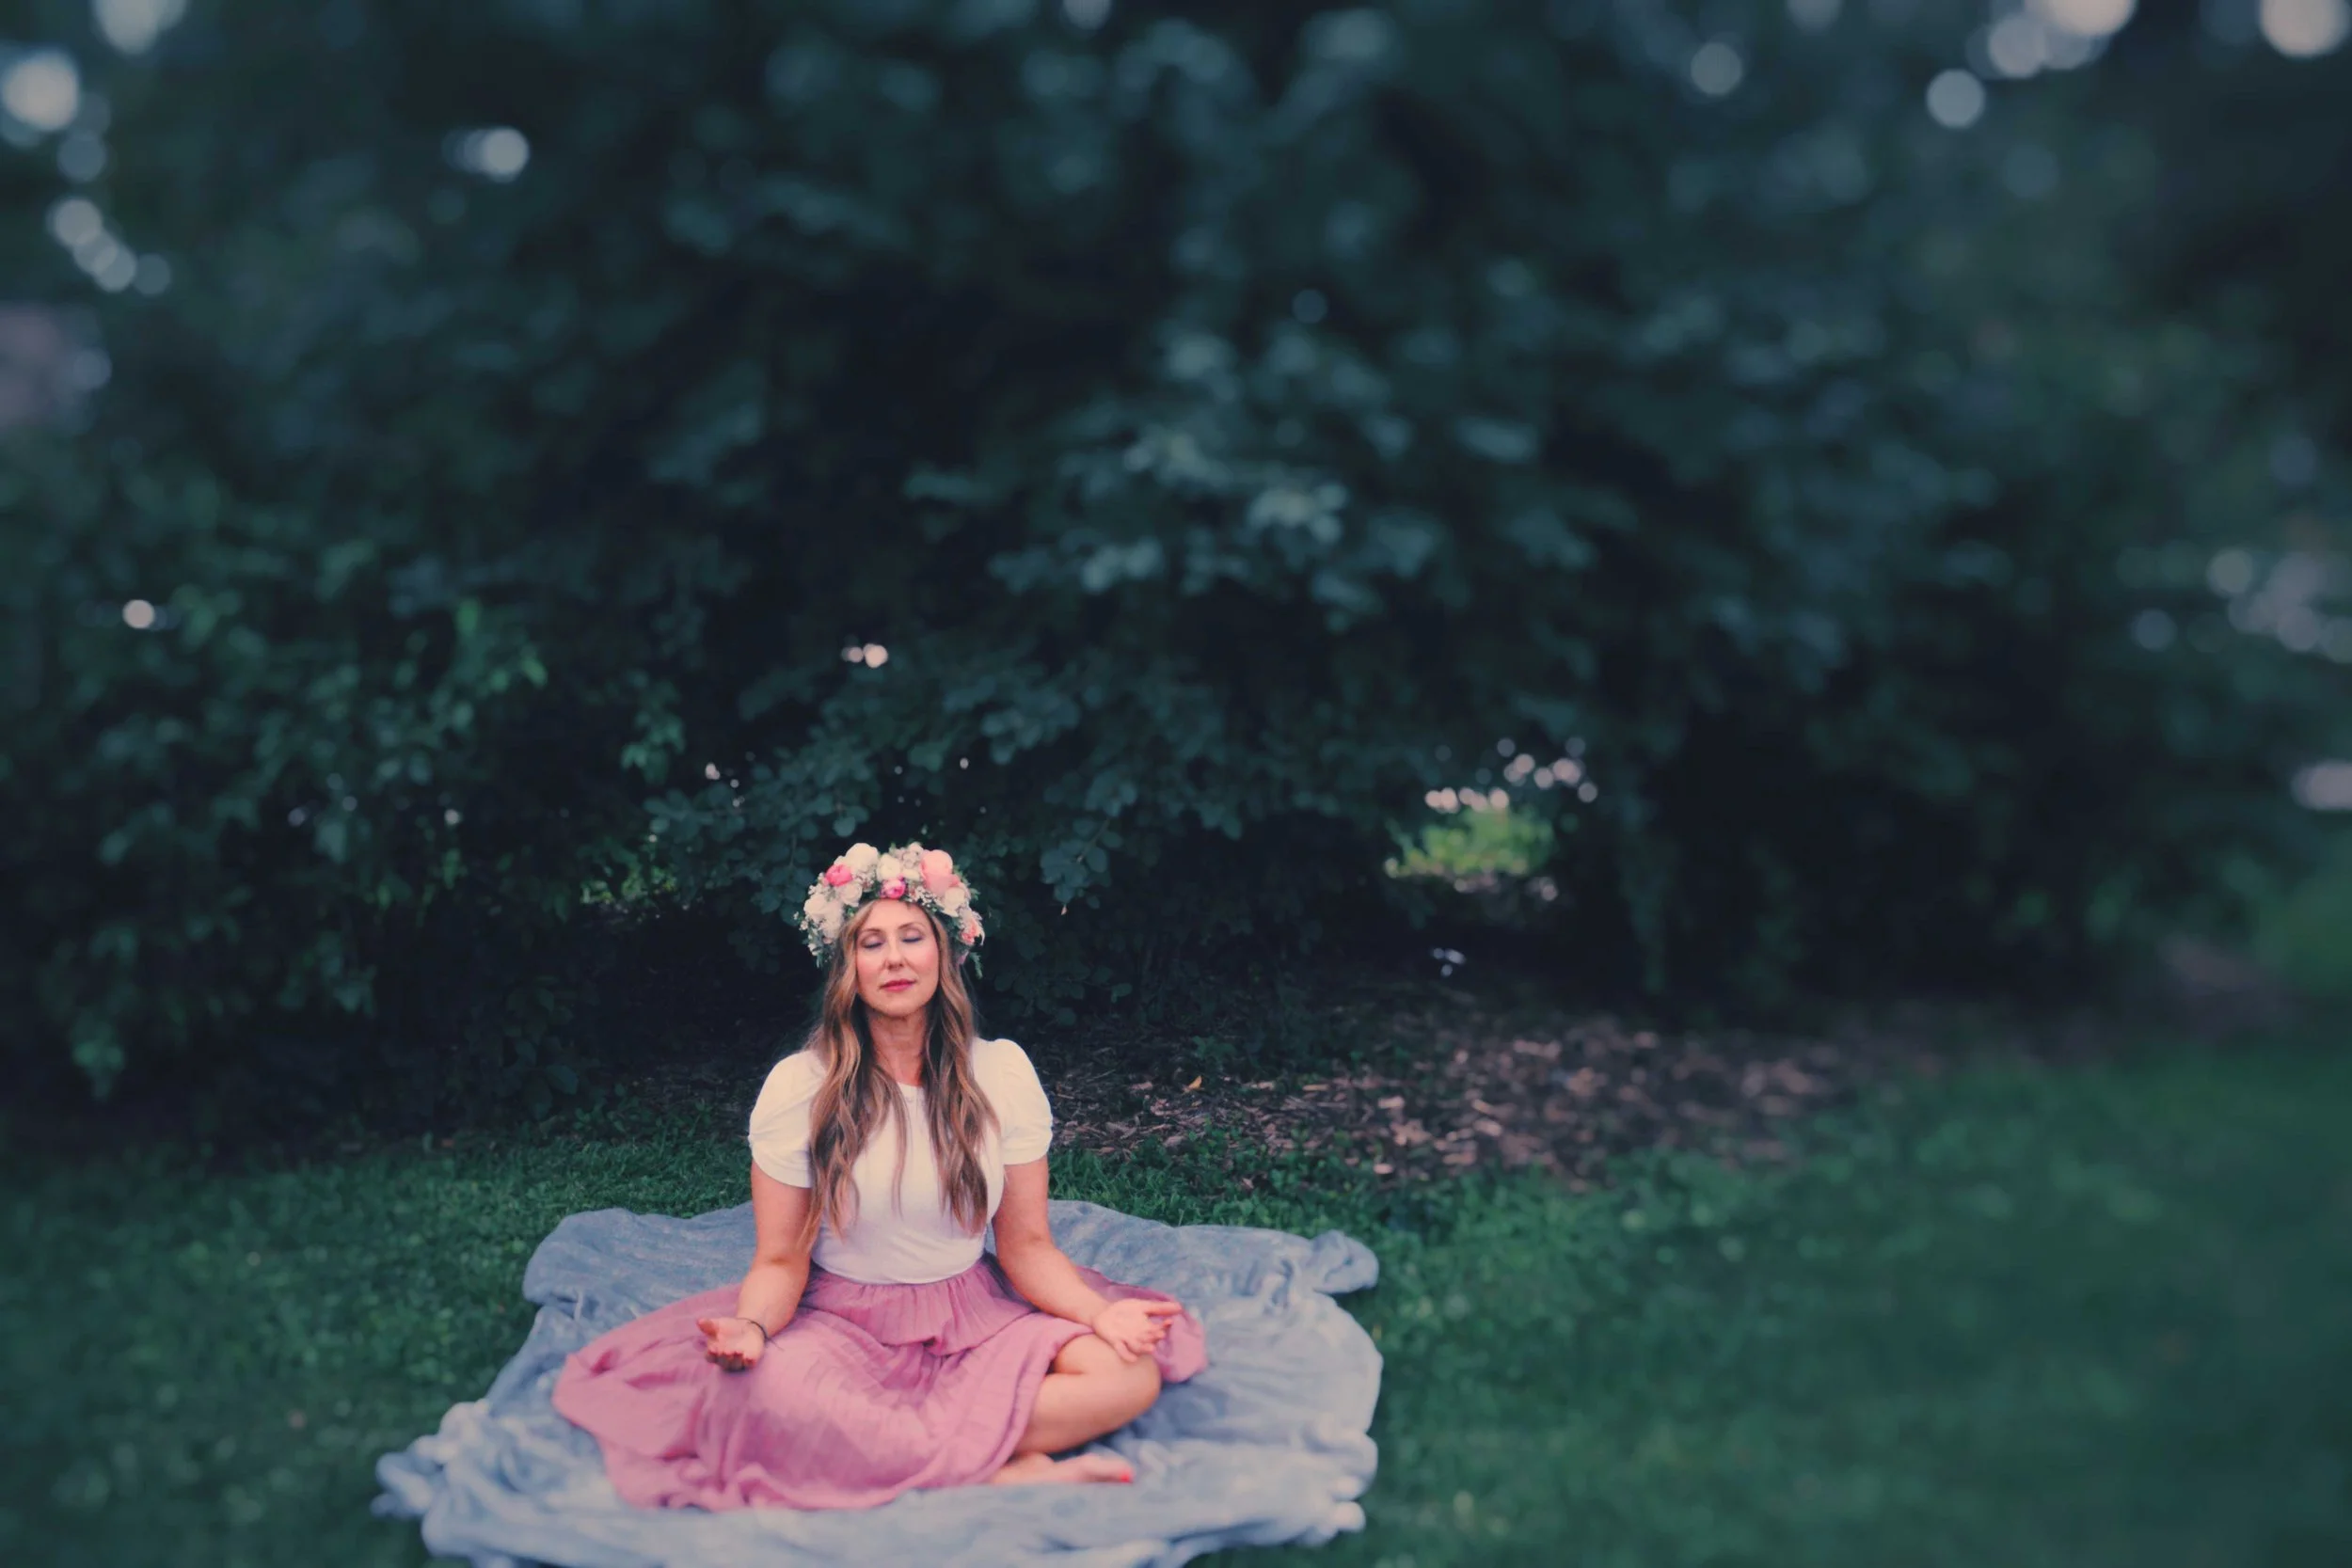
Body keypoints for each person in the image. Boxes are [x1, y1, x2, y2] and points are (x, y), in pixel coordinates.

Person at [551, 842, 1205, 1511]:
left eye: (911, 937)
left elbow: (1027, 1246)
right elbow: (779, 1257)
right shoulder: (800, 1086)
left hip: (973, 1312)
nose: (893, 958)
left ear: (944, 955)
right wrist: (751, 1325)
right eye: (871, 942)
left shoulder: (1001, 1073)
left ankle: (896, 1453)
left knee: (1126, 1376)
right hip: (840, 1319)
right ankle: (999, 1465)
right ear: (848, 968)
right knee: (759, 1393)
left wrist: (1103, 1313)